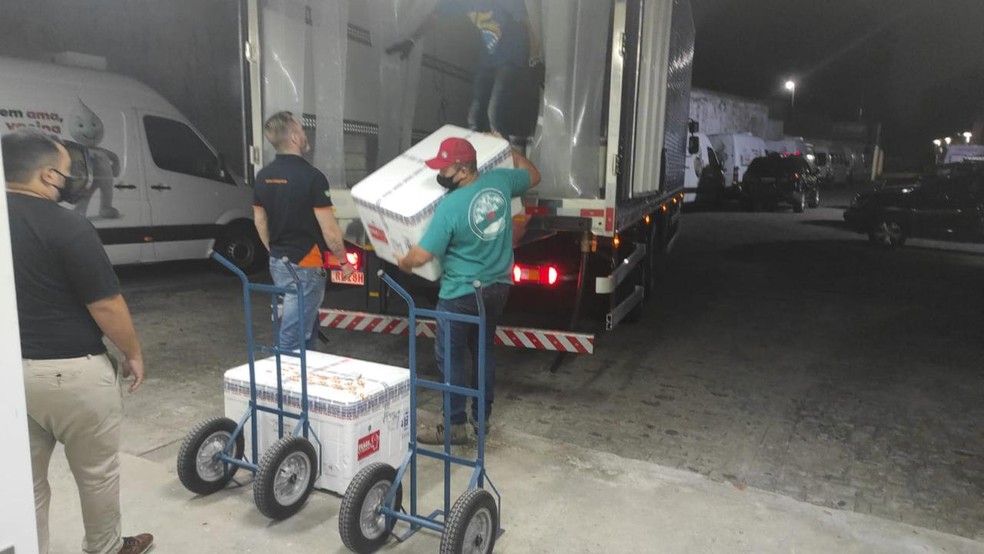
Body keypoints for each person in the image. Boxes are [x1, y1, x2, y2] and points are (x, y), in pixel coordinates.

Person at [3, 128, 153, 554]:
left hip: (10, 373)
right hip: (72, 373)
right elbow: (106, 304)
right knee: (96, 473)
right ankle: (105, 547)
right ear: (49, 176)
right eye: (69, 171)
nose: (73, 180)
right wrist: (133, 353)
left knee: (24, 482)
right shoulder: (69, 225)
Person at [397, 136, 540, 444]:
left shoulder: (451, 206)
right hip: (497, 288)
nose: (440, 174)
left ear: (462, 170)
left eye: (444, 168)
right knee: (483, 352)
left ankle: (455, 425)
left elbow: (422, 255)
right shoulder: (500, 181)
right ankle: (481, 418)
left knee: (451, 356)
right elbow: (533, 175)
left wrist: (404, 262)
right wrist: (508, 149)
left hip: (460, 293)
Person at [252, 111, 354, 351]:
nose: (305, 135)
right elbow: (329, 229)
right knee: (293, 334)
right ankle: (285, 374)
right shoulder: (312, 178)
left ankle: (305, 371)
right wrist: (343, 261)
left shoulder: (263, 176)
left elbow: (260, 221)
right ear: (295, 138)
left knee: (306, 324)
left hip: (279, 262)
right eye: (302, 130)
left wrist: (274, 250)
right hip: (306, 264)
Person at [386, 0, 542, 136]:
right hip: (488, 61)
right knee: (474, 118)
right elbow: (434, 16)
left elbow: (529, 24)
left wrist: (535, 59)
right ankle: (475, 158)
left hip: (511, 57)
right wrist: (412, 39)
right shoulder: (462, 2)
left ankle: (506, 157)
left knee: (494, 114)